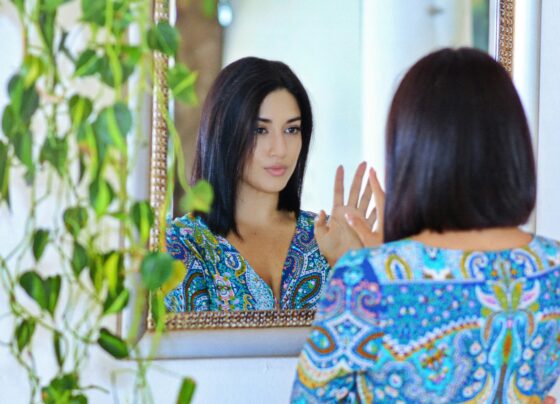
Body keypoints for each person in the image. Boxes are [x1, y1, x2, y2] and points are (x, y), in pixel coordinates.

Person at [291, 48, 560, 403]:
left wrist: (382, 260)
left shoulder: (368, 277)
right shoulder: (552, 267)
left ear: (411, 149)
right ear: (512, 144)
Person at [164, 57, 372, 312]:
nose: (280, 149)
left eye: (291, 129)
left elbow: (373, 333)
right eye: (260, 130)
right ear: (225, 132)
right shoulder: (183, 244)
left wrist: (355, 265)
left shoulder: (329, 238)